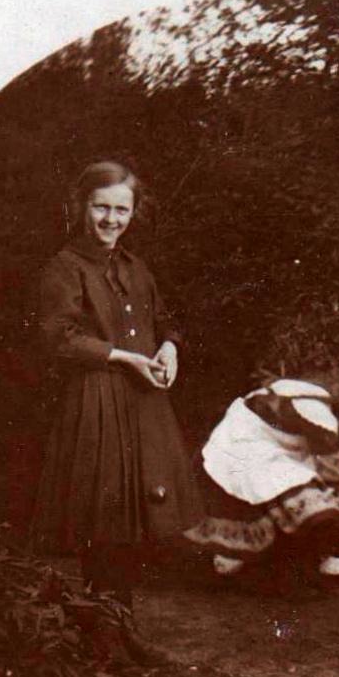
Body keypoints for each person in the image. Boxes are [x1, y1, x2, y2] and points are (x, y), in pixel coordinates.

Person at [30, 161, 201, 637]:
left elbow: (166, 319)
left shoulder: (135, 268)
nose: (111, 219)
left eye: (121, 209)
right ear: (81, 206)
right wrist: (122, 356)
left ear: (133, 212)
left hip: (141, 404)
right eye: (101, 207)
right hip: (96, 402)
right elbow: (58, 338)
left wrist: (169, 346)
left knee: (132, 523)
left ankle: (116, 632)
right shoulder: (64, 268)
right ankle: (104, 636)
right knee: (104, 522)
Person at [183, 373, 339, 592]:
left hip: (238, 442)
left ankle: (254, 557)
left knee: (309, 484)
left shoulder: (312, 390)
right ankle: (256, 560)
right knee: (321, 501)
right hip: (244, 452)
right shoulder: (320, 418)